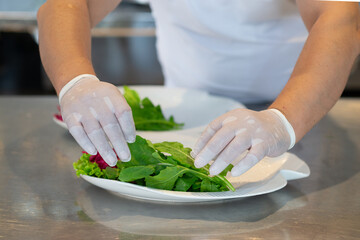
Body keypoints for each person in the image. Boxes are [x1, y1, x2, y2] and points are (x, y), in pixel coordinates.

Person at [37, 0, 360, 177]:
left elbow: (340, 19)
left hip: (297, 116)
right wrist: (75, 81)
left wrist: (282, 121)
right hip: (186, 115)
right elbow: (64, 6)